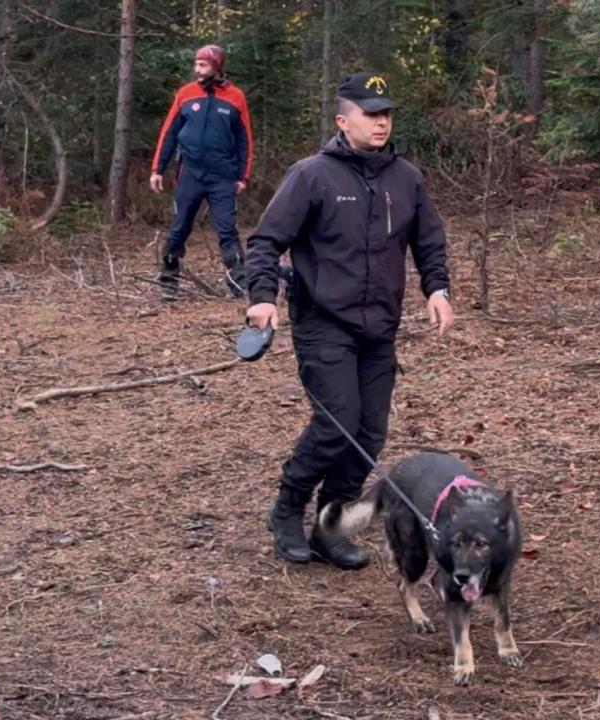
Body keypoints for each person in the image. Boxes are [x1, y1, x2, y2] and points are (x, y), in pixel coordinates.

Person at [245, 71, 454, 569]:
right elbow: (266, 242)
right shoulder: (312, 174)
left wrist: (437, 288)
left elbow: (428, 239)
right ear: (344, 120)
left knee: (369, 434)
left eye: (386, 114)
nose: (381, 123)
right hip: (323, 321)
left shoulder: (406, 178)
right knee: (336, 424)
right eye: (370, 114)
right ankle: (287, 508)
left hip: (380, 325)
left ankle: (330, 526)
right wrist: (262, 296)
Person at [150, 44, 254, 301]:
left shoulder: (235, 97)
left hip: (223, 176)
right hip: (190, 173)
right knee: (179, 228)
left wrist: (243, 177)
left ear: (216, 67)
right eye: (196, 64)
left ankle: (239, 284)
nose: (197, 69)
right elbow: (169, 133)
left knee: (227, 231)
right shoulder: (186, 94)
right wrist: (157, 169)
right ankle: (169, 281)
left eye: (203, 64)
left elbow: (245, 141)